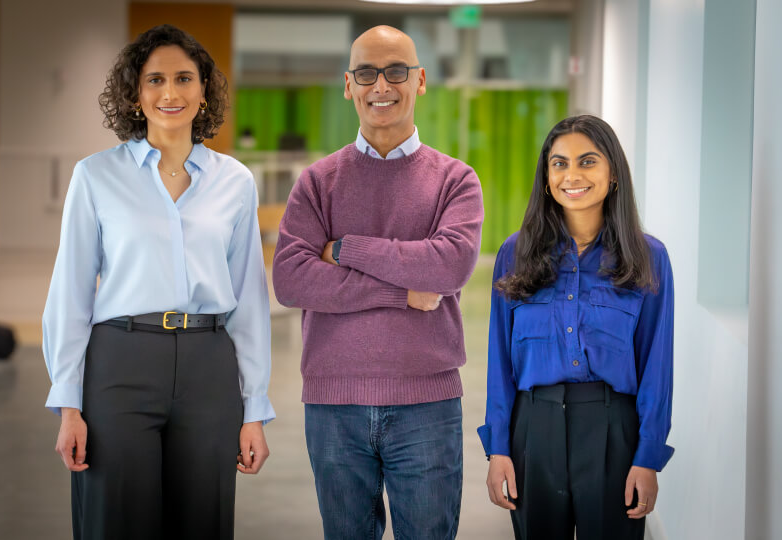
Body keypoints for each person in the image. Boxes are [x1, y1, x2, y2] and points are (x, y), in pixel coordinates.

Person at [42, 24, 274, 540]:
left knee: (203, 522)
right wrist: (69, 404)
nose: (170, 93)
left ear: (204, 89)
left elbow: (250, 301)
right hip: (120, 362)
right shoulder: (95, 176)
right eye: (155, 80)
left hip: (209, 365)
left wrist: (254, 408)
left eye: (184, 78)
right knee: (114, 521)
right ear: (135, 92)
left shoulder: (235, 181)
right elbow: (71, 294)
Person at [272, 25, 484, 540]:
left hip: (427, 405)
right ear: (349, 84)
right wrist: (398, 290)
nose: (381, 85)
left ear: (420, 80)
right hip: (333, 405)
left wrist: (344, 248)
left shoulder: (456, 180)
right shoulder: (318, 182)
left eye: (395, 71)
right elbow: (290, 279)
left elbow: (448, 267)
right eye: (366, 73)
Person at [479, 115, 674, 540]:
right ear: (546, 178)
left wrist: (647, 457)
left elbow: (657, 367)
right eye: (559, 163)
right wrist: (498, 448)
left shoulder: (648, 257)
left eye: (587, 161)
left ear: (613, 173)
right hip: (534, 428)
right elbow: (500, 362)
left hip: (614, 433)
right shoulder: (516, 253)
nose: (572, 175)